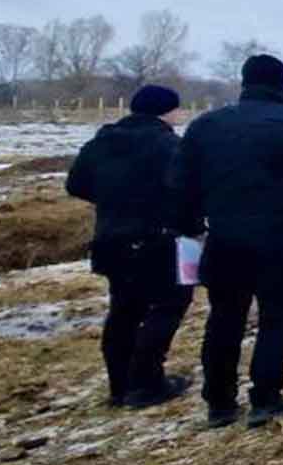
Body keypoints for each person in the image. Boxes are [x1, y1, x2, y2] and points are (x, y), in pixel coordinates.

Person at [170, 54, 283, 427]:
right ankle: (265, 399)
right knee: (277, 319)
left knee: (224, 319)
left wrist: (192, 226)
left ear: (243, 82)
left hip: (225, 239)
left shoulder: (206, 125)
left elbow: (180, 184)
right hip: (282, 240)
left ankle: (219, 404)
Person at [65, 84, 195, 408]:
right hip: (157, 239)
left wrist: (114, 201)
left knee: (123, 310)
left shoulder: (101, 142)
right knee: (168, 304)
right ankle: (147, 383)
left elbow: (76, 184)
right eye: (178, 109)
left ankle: (119, 386)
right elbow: (188, 189)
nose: (180, 115)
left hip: (111, 239)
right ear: (167, 111)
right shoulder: (169, 145)